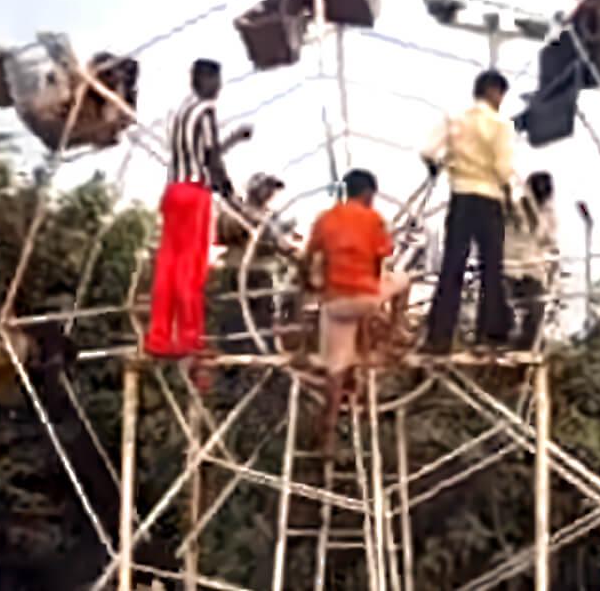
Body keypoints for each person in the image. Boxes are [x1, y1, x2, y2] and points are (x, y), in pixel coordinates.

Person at [146, 58, 253, 359]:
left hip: (173, 191)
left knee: (167, 265)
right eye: (215, 80)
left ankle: (159, 336)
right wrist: (229, 190)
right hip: (195, 193)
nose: (218, 88)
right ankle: (190, 336)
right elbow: (210, 157)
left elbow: (198, 151)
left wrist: (231, 142)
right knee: (190, 267)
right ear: (202, 80)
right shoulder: (205, 111)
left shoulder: (181, 112)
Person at [302, 169, 410, 455]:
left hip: (336, 302)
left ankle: (325, 436)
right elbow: (380, 258)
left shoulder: (324, 219)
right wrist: (373, 289)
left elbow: (307, 258)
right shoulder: (374, 220)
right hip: (367, 298)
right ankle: (395, 330)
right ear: (368, 194)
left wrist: (310, 285)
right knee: (403, 280)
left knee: (334, 369)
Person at [420, 69, 518, 354]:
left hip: (460, 197)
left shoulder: (455, 119)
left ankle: (439, 336)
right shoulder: (501, 125)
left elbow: (427, 150)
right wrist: (510, 194)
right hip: (489, 199)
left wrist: (438, 167)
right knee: (491, 267)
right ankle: (488, 335)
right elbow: (503, 168)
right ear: (493, 92)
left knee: (452, 267)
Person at [0, 25, 139, 151]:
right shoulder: (25, 87)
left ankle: (110, 106)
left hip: (68, 123)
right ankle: (108, 107)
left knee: (113, 67)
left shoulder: (102, 109)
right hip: (60, 121)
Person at [214, 172, 299, 353]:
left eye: (272, 189)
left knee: (256, 322)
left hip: (249, 270)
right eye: (267, 188)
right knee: (246, 322)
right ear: (256, 190)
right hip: (248, 272)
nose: (270, 193)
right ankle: (247, 359)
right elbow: (280, 244)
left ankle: (253, 356)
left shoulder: (264, 216)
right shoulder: (240, 214)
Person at [503, 171, 559, 350]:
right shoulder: (517, 205)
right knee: (505, 305)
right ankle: (499, 340)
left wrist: (551, 267)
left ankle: (526, 346)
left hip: (533, 268)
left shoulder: (549, 215)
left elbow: (550, 242)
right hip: (510, 266)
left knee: (536, 308)